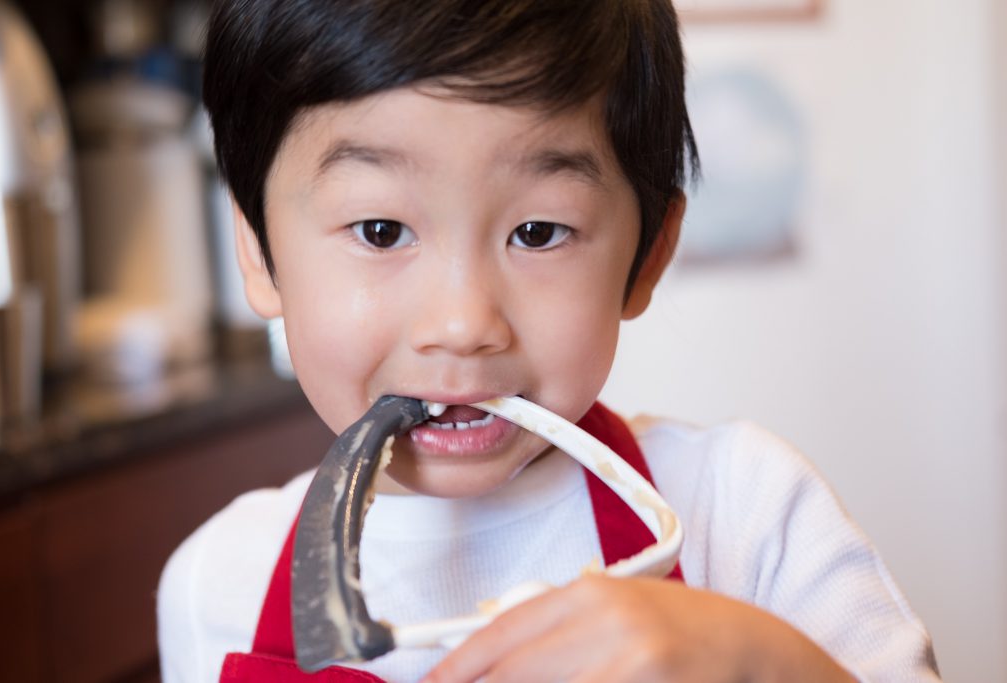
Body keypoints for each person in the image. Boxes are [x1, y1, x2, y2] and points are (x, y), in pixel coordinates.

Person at [157, 1, 941, 681]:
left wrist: (762, 664)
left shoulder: (747, 514)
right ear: (259, 252)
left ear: (647, 257)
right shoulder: (215, 583)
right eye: (380, 229)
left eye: (538, 231)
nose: (463, 322)